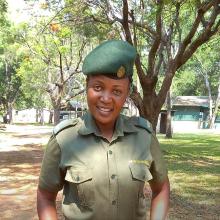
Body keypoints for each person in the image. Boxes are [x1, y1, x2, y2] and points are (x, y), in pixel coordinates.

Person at [37, 40, 170, 220]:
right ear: (87, 86)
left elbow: (161, 188)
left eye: (116, 91)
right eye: (98, 87)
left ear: (127, 94)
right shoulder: (64, 139)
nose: (106, 99)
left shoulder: (144, 136)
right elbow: (45, 195)